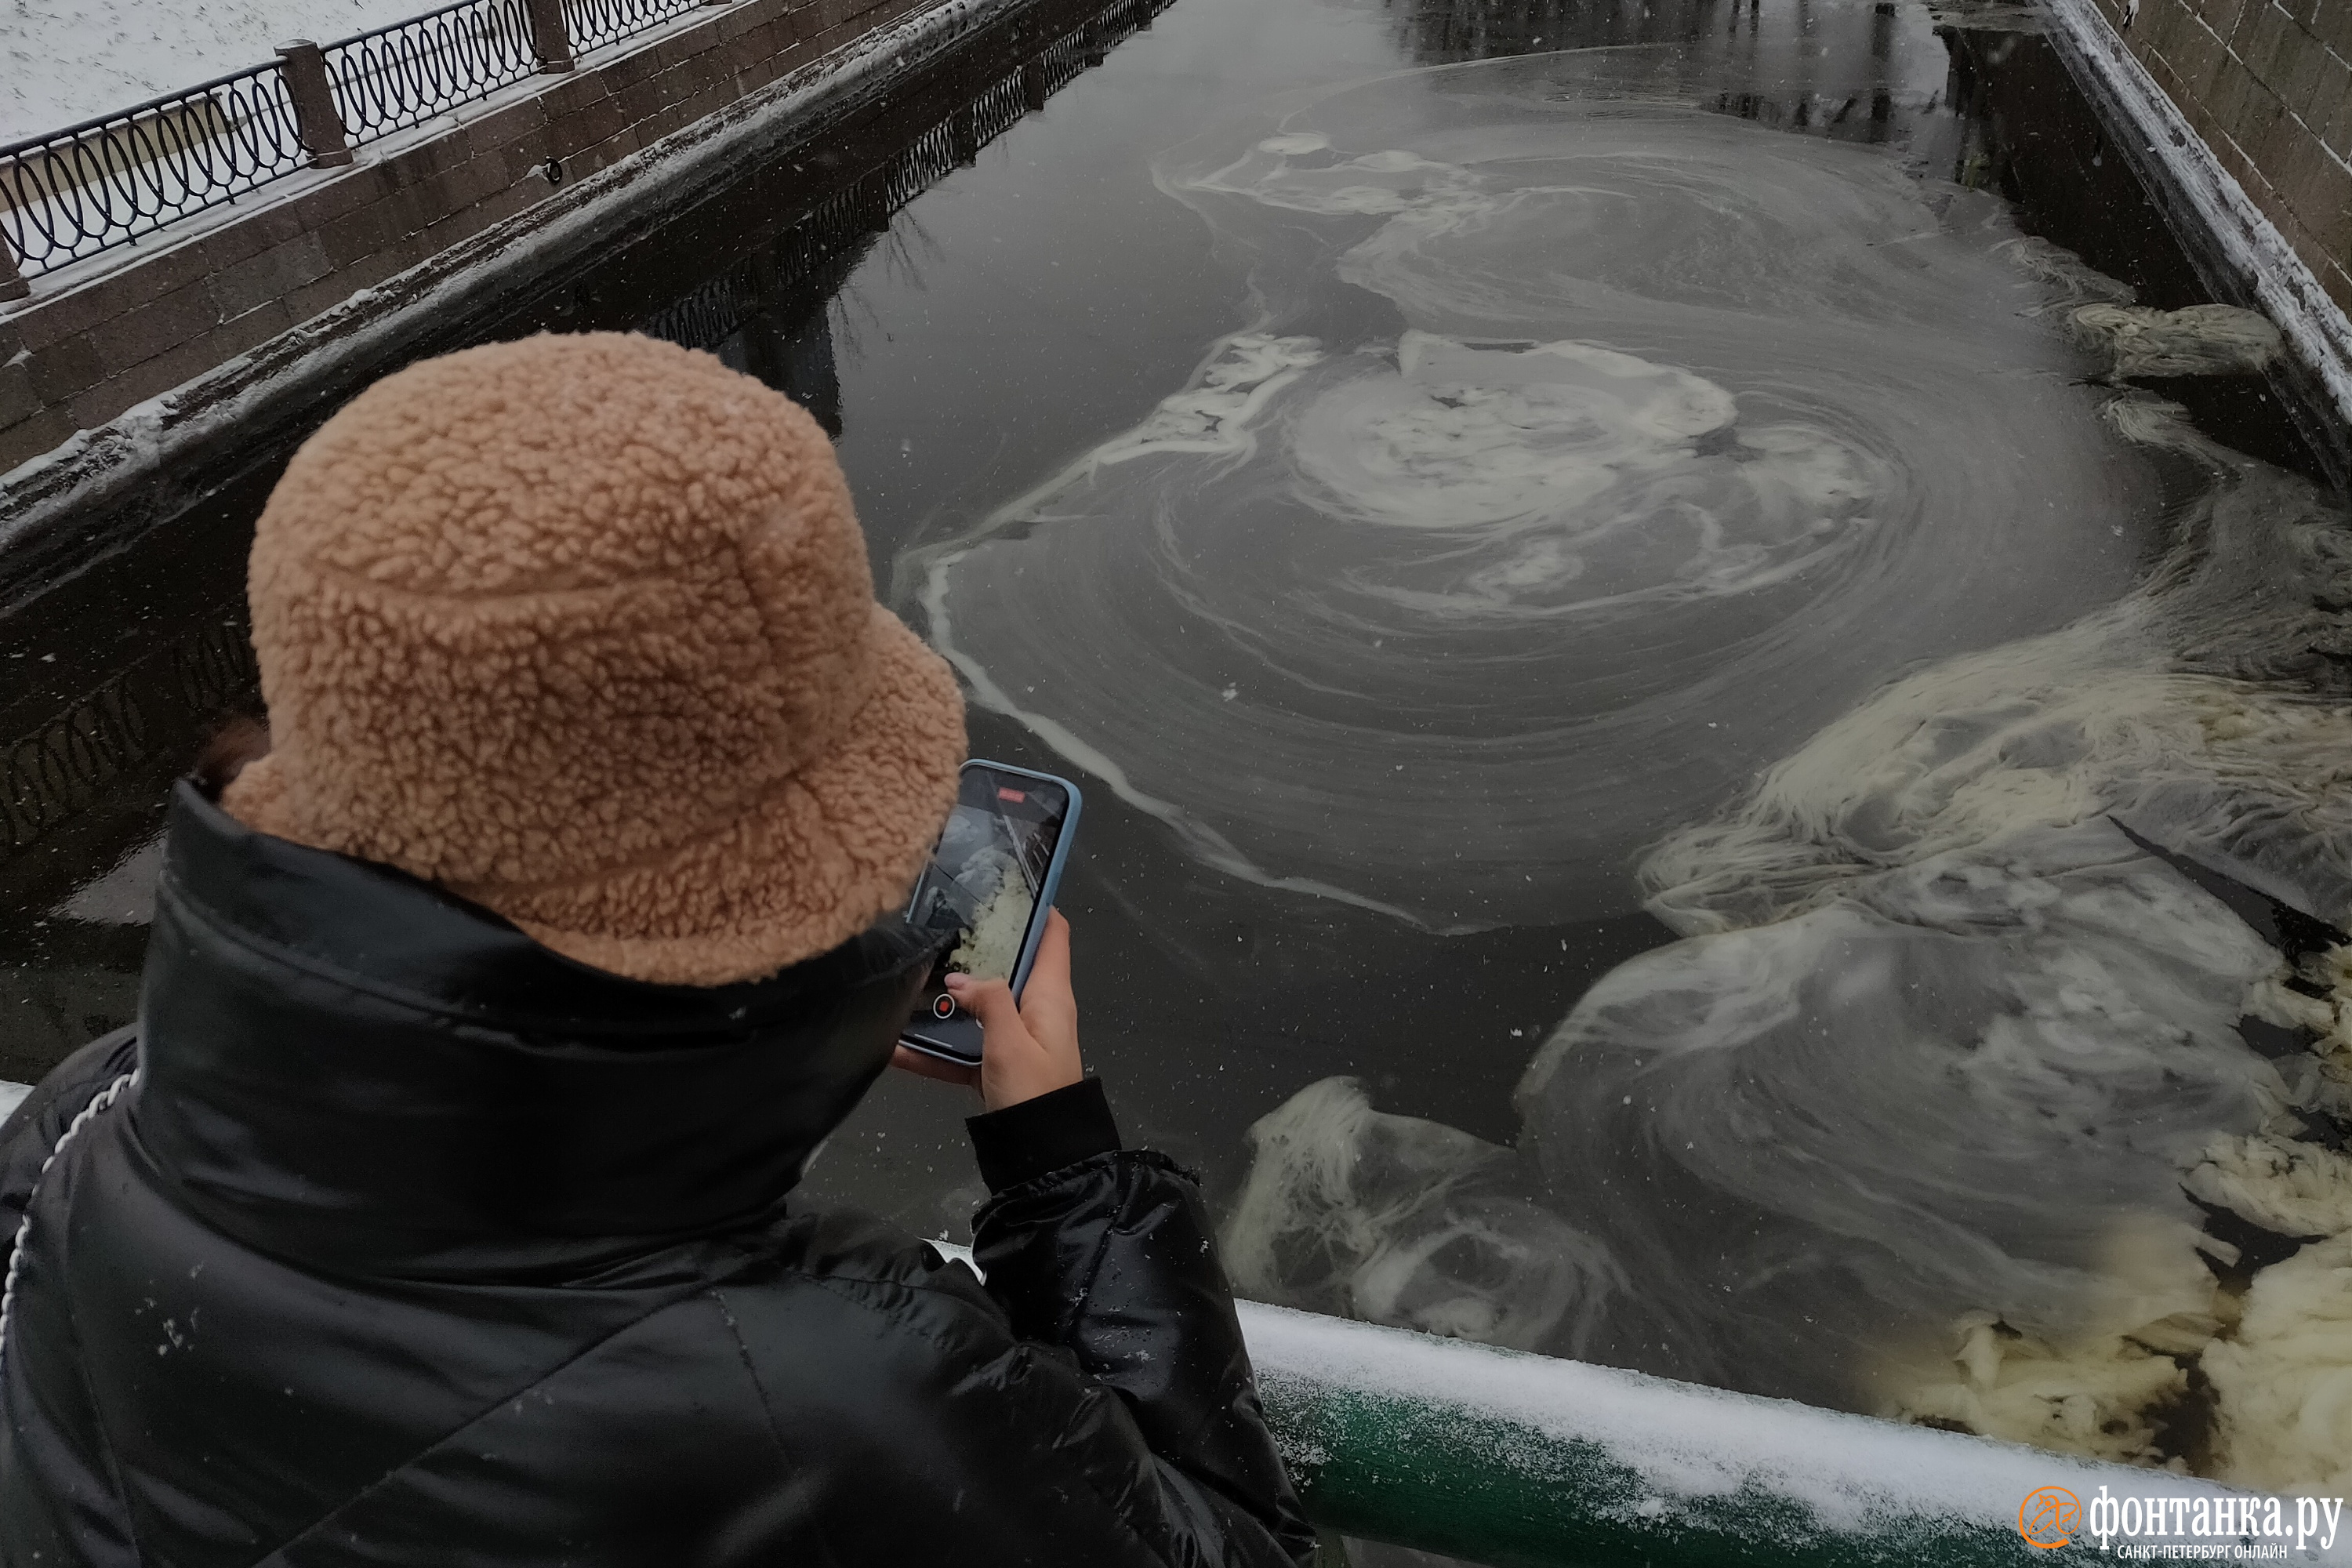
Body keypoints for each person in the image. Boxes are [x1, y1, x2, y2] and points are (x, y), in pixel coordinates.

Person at [0, 334, 1318, 1567]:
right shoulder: (828, 1386)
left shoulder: (93, 1113)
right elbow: (1223, 1547)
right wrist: (1067, 1173)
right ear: (769, 912)